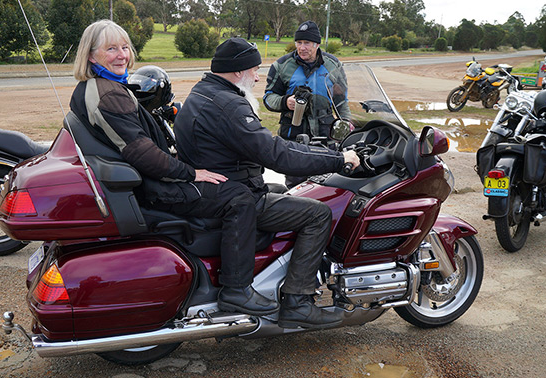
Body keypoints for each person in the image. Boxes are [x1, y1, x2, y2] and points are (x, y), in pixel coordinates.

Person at [69, 20, 281, 316]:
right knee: (239, 197)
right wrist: (191, 173)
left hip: (143, 180)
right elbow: (142, 153)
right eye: (111, 49)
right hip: (153, 186)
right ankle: (237, 290)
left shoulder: (98, 88)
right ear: (91, 56)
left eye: (125, 47)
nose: (121, 55)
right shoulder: (108, 94)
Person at [174, 38, 360, 329]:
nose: (258, 77)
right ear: (237, 72)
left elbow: (269, 146)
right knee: (318, 213)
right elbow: (277, 155)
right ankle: (298, 301)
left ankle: (274, 276)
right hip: (234, 193)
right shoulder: (230, 106)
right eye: (254, 70)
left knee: (283, 191)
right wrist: (338, 159)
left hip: (213, 189)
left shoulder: (202, 92)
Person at [264, 20, 353, 188]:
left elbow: (341, 102)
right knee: (296, 188)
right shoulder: (281, 66)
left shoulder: (333, 65)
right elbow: (268, 98)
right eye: (299, 43)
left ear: (317, 44)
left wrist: (347, 126)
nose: (302, 47)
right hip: (294, 138)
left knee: (327, 186)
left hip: (325, 137)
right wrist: (285, 102)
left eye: (307, 43)